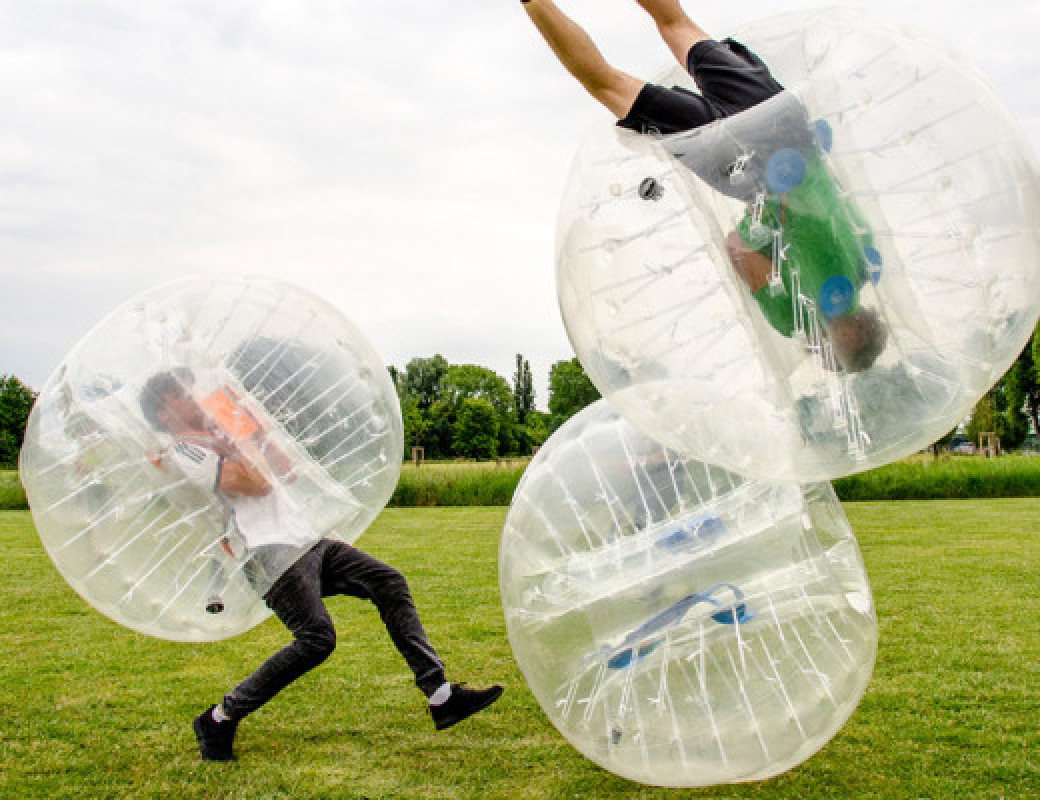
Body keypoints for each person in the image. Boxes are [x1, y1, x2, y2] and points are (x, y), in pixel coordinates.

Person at [139, 368, 503, 762]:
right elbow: (255, 483)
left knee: (388, 582)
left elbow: (285, 470)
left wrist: (253, 427)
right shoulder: (186, 450)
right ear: (163, 412)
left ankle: (440, 695)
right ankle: (219, 717)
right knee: (316, 639)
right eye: (180, 393)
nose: (193, 395)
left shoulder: (220, 434)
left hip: (306, 540)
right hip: (268, 552)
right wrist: (234, 435)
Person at [521, 0, 887, 372]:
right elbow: (739, 247)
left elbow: (829, 195)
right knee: (606, 83)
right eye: (834, 359)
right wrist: (762, 223)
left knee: (676, 23)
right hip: (741, 167)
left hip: (786, 125)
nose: (823, 359)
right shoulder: (794, 317)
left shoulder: (862, 264)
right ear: (853, 339)